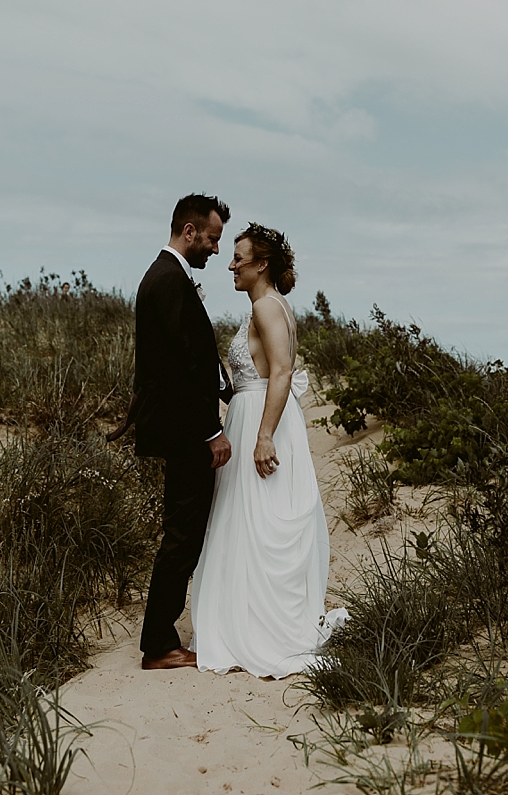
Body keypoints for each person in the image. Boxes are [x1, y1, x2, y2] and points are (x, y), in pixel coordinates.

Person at [190, 223, 345, 677]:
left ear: (261, 264)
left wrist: (263, 435)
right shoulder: (267, 305)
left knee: (257, 522)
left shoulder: (266, 308)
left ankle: (262, 629)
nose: (231, 264)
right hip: (253, 413)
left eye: (238, 257)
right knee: (247, 522)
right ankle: (250, 616)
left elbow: (280, 373)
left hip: (263, 419)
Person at [130, 193, 235, 671]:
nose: (216, 249)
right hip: (186, 433)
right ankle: (158, 644)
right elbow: (183, 370)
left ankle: (162, 636)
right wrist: (211, 431)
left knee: (184, 533)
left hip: (180, 429)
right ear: (188, 232)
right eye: (212, 238)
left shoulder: (165, 277)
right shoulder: (169, 281)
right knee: (182, 536)